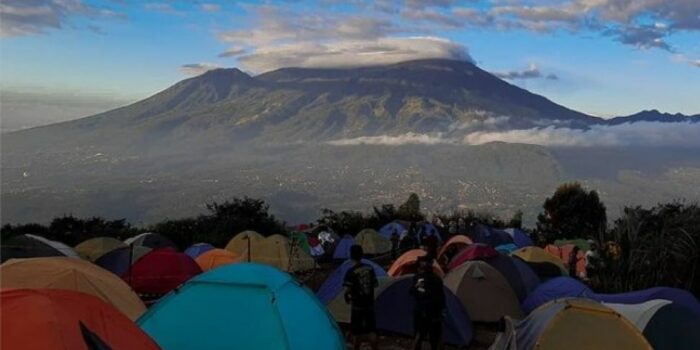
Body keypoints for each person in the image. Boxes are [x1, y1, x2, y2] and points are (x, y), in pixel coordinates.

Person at [344, 245, 378, 350]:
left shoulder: (351, 271)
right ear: (362, 254)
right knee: (371, 330)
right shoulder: (370, 268)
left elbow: (347, 290)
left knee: (356, 331)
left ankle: (356, 348)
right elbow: (375, 284)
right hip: (369, 304)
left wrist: (347, 297)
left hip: (357, 306)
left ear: (351, 255)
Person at [410, 256, 445, 350]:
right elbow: (441, 297)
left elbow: (412, 292)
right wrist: (442, 310)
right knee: (435, 337)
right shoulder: (437, 280)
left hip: (420, 311)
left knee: (418, 335)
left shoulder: (417, 278)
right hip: (434, 312)